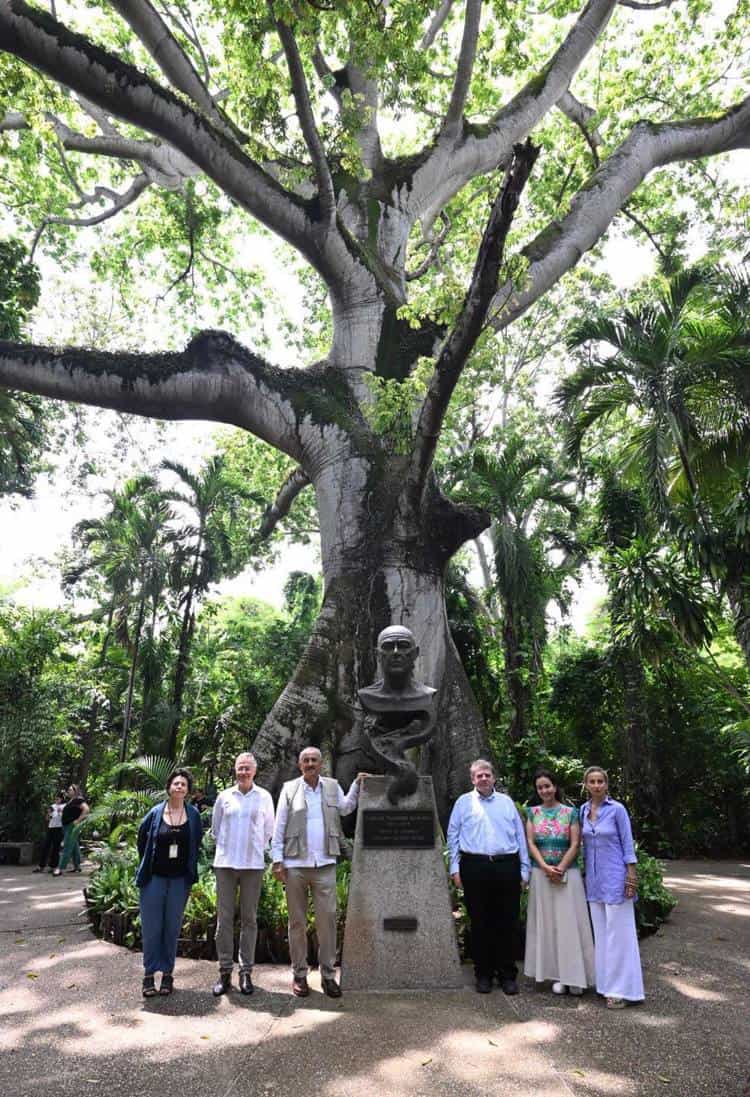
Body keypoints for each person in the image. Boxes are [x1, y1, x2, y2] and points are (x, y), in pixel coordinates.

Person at [272, 747, 365, 998]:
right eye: (306, 760)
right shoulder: (290, 788)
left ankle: (327, 976)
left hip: (325, 864)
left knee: (327, 922)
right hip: (295, 866)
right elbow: (279, 825)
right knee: (297, 923)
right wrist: (277, 860)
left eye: (314, 760)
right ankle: (300, 975)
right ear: (300, 764)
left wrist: (356, 784)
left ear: (321, 764)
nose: (310, 764)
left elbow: (346, 808)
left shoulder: (333, 786)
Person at [447, 758, 530, 995]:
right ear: (472, 779)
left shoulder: (506, 803)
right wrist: (455, 868)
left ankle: (507, 975)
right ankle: (483, 974)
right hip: (475, 866)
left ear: (493, 777)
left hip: (507, 866)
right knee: (480, 923)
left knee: (507, 922)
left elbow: (520, 836)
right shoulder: (463, 803)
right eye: (478, 775)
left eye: (487, 774)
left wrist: (525, 869)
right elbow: (453, 836)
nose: (483, 778)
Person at [523, 768, 594, 995]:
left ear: (555, 787)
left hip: (567, 874)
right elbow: (530, 842)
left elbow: (575, 844)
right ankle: (555, 975)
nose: (544, 790)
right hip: (541, 874)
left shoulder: (570, 812)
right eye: (540, 787)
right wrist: (545, 866)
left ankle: (575, 976)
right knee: (547, 924)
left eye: (548, 786)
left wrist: (561, 867)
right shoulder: (532, 812)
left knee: (570, 923)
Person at [210, 752, 275, 997]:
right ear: (235, 770)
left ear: (255, 771)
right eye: (240, 768)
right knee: (224, 920)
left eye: (247, 768)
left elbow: (269, 829)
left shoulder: (264, 797)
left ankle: (246, 972)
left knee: (249, 920)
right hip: (225, 865)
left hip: (252, 866)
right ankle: (225, 971)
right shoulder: (224, 797)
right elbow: (216, 829)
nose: (244, 772)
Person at [580, 766, 644, 1009]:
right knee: (603, 935)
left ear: (606, 785)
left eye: (600, 781)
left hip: (617, 879)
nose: (596, 785)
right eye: (592, 781)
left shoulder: (617, 810)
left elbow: (628, 845)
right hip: (594, 883)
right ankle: (605, 985)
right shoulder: (583, 811)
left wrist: (631, 878)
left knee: (620, 935)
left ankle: (622, 990)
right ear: (586, 785)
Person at [135, 767, 203, 998]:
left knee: (172, 928)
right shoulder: (155, 813)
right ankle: (148, 974)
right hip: (154, 879)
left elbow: (196, 842)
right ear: (169, 787)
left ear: (188, 790)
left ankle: (167, 975)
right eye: (176, 783)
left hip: (179, 882)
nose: (179, 787)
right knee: (152, 928)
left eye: (184, 784)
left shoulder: (193, 815)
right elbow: (142, 839)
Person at [53, 785, 90, 876]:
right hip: (67, 826)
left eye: (70, 789)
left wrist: (78, 820)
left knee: (67, 845)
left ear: (75, 790)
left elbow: (86, 809)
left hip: (72, 826)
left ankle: (60, 868)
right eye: (68, 789)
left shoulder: (78, 799)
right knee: (74, 846)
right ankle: (77, 866)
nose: (68, 791)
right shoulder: (71, 801)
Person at [33, 793, 65, 873]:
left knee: (56, 848)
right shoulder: (52, 806)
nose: (56, 800)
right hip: (50, 828)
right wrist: (48, 814)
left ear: (61, 799)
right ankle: (41, 866)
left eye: (58, 798)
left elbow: (64, 817)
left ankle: (53, 867)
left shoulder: (64, 806)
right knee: (45, 846)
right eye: (55, 798)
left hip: (59, 828)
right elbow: (47, 818)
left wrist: (60, 812)